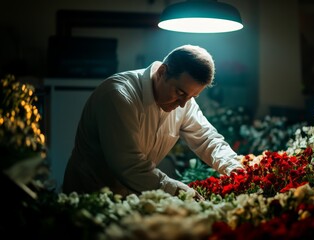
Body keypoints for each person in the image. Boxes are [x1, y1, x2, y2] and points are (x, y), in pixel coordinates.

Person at [62, 44, 244, 200]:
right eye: (180, 93)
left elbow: (206, 139)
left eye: (191, 96)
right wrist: (179, 191)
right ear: (162, 72)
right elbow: (129, 165)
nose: (183, 103)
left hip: (130, 197)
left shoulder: (184, 101)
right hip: (86, 197)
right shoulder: (119, 96)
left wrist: (236, 169)